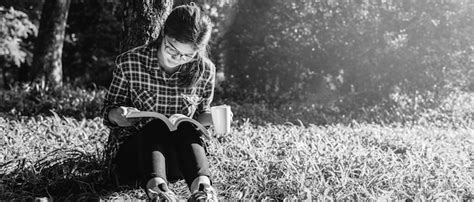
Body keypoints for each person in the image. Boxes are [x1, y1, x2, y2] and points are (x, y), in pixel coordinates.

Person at [101, 3, 226, 201]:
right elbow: (108, 111)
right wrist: (117, 115)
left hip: (180, 159)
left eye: (188, 55)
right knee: (157, 125)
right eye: (172, 49)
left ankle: (204, 192)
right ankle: (158, 194)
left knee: (186, 127)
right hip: (137, 157)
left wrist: (215, 118)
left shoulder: (205, 70)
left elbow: (200, 117)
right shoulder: (131, 62)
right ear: (163, 35)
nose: (178, 59)